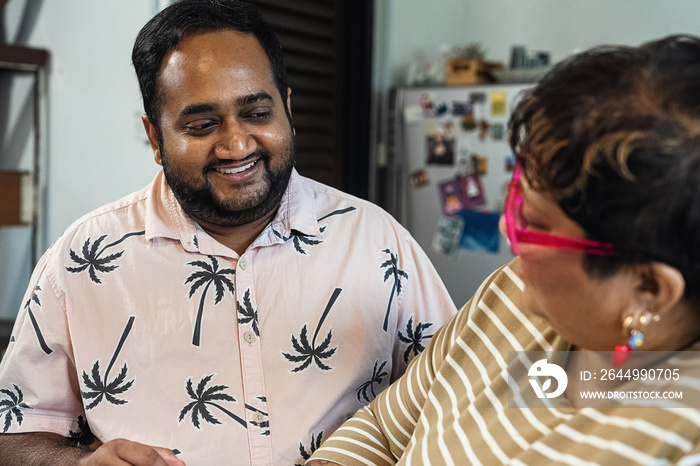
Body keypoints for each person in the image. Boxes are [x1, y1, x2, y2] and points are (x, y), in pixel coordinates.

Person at [0, 1, 457, 465]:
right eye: (201, 125)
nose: (237, 144)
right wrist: (75, 465)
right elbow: (14, 432)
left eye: (257, 113)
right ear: (156, 137)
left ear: (288, 109)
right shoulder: (82, 259)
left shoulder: (378, 242)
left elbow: (461, 395)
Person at [306, 35, 700, 465]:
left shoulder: (681, 435)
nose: (504, 227)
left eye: (533, 226)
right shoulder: (511, 295)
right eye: (517, 202)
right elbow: (384, 427)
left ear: (649, 287)